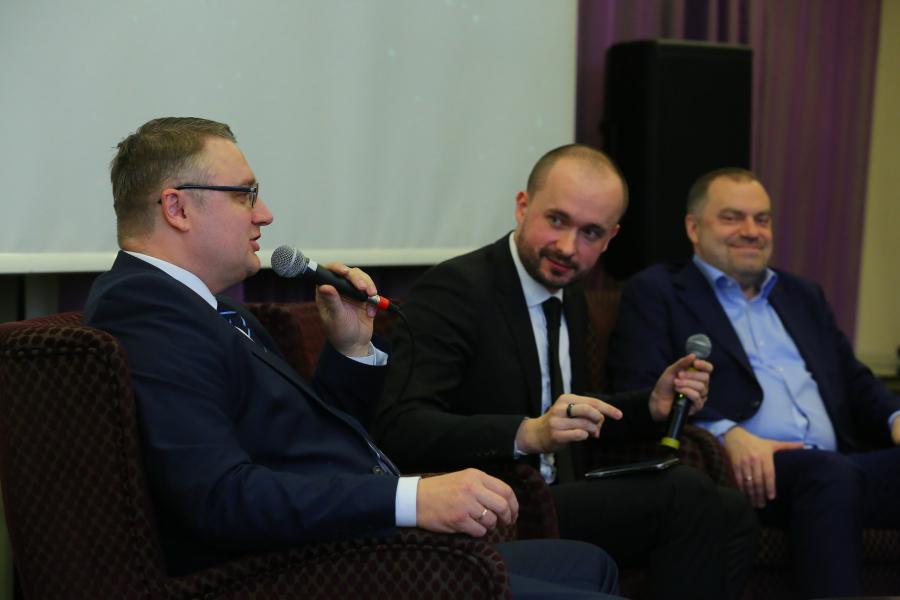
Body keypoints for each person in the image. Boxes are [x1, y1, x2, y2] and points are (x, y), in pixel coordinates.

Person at [83, 117, 625, 599]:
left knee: (590, 563)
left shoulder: (213, 308)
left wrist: (351, 348)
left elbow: (300, 440)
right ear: (177, 207)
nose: (265, 215)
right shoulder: (147, 310)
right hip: (290, 571)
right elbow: (222, 497)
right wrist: (411, 498)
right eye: (246, 195)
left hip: (344, 543)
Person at [373, 144, 759, 600]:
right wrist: (526, 433)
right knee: (683, 494)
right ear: (523, 206)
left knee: (733, 511)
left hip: (559, 495)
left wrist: (649, 406)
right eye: (556, 220)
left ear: (611, 237)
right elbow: (400, 425)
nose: (568, 247)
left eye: (590, 233)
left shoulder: (569, 290)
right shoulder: (456, 290)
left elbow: (567, 415)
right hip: (496, 502)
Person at [607, 167, 900, 598]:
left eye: (762, 219)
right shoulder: (657, 292)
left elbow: (853, 379)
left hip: (838, 466)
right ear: (694, 228)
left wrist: (895, 416)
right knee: (828, 473)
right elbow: (642, 389)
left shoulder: (802, 295)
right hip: (751, 470)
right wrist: (726, 433)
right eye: (732, 218)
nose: (751, 231)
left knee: (834, 472)